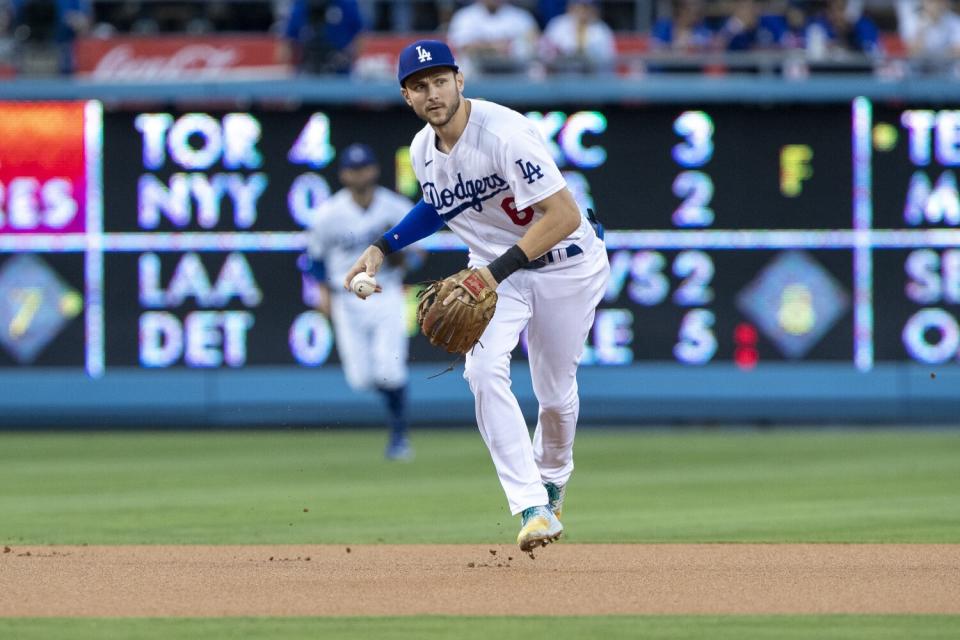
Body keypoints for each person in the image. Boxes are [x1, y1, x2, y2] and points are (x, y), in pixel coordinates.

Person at [343, 40, 610, 551]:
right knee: (482, 372)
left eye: (440, 80)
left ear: (460, 81)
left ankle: (552, 480)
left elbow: (563, 216)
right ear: (407, 96)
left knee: (554, 393)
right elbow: (439, 205)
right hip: (494, 272)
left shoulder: (506, 134)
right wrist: (381, 246)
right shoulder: (423, 150)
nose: (432, 92)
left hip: (566, 265)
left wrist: (493, 273)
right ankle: (532, 506)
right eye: (420, 86)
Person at [300, 143, 421, 461]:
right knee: (361, 378)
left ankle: (399, 436)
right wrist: (322, 296)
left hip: (386, 294)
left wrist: (399, 256)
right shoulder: (329, 214)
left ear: (374, 170)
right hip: (345, 297)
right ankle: (396, 417)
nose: (358, 174)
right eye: (352, 169)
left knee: (389, 369)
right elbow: (313, 261)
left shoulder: (393, 207)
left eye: (363, 167)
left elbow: (419, 256)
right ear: (343, 174)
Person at [446, 0, 539, 75]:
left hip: (515, 73)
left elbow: (533, 44)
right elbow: (463, 47)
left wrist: (484, 46)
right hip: (477, 75)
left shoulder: (521, 16)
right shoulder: (464, 16)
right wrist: (496, 47)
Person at [539, 0, 617, 73]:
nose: (583, 11)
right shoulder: (558, 25)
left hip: (592, 77)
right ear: (572, 7)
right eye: (579, 7)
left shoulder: (601, 29)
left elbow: (608, 59)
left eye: (586, 8)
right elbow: (543, 51)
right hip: (561, 76)